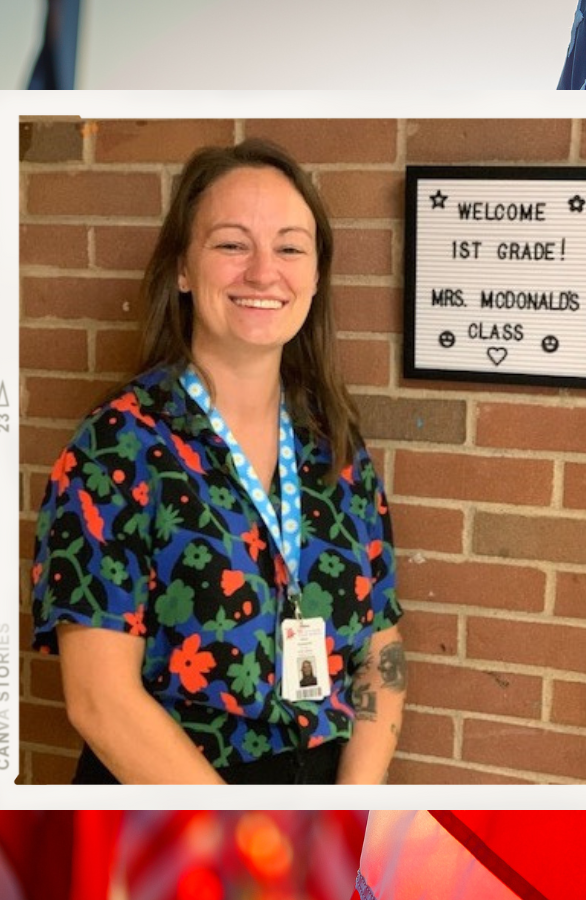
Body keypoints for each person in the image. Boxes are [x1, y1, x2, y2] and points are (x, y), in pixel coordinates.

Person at [29, 139, 405, 785]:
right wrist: (250, 848)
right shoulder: (116, 447)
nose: (264, 272)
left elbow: (382, 652)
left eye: (290, 247)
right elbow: (99, 700)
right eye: (232, 244)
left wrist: (347, 812)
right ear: (182, 267)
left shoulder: (335, 448)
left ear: (315, 276)